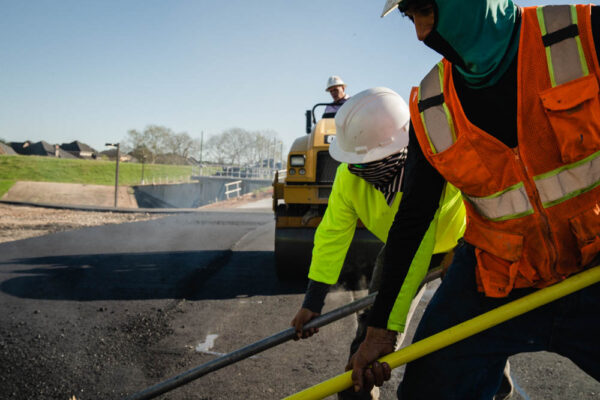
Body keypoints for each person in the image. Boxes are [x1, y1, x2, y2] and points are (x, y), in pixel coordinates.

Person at [347, 1, 600, 399]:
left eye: (424, 10)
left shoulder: (583, 36)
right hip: (497, 279)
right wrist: (381, 328)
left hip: (593, 268)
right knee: (430, 391)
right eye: (411, 18)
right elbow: (414, 219)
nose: (420, 34)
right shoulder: (432, 105)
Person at [291, 87, 466, 400]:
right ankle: (359, 392)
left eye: (367, 161)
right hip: (402, 251)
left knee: (468, 329)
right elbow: (333, 233)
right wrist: (313, 301)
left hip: (460, 245)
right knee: (373, 328)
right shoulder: (350, 176)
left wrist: (469, 245)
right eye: (354, 162)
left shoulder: (440, 158)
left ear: (398, 146)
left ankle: (495, 389)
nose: (359, 169)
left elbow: (482, 195)